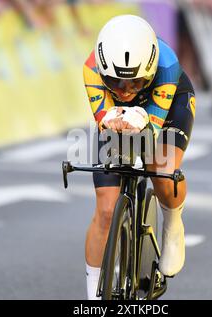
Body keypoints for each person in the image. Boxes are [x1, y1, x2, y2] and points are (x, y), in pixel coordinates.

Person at [83, 15, 196, 300]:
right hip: (118, 117)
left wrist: (141, 117)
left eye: (134, 83)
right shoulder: (91, 69)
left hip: (167, 104)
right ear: (102, 69)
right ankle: (94, 296)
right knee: (106, 210)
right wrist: (112, 119)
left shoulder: (168, 65)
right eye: (115, 82)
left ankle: (173, 222)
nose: (123, 91)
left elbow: (152, 131)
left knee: (161, 167)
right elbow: (104, 121)